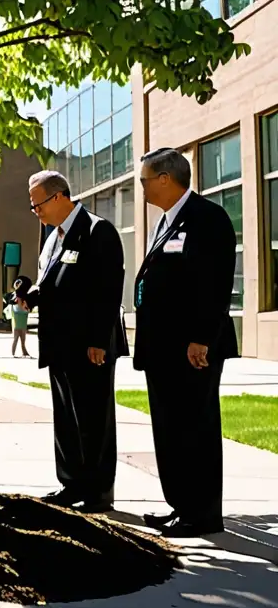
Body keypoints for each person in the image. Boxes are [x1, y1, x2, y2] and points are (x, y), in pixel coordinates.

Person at [136, 148, 237, 538]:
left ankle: (203, 513)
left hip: (193, 350)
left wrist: (201, 338)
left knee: (195, 429)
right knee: (170, 430)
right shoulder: (166, 221)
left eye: (145, 179)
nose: (141, 186)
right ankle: (181, 505)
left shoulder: (206, 219)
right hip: (164, 350)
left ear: (165, 179)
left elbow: (215, 285)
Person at [15, 171, 127, 514]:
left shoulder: (96, 230)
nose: (36, 211)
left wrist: (98, 340)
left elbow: (108, 290)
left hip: (89, 345)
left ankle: (97, 491)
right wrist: (30, 295)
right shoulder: (52, 237)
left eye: (38, 205)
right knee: (67, 420)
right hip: (59, 343)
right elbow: (55, 282)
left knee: (93, 420)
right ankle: (71, 483)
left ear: (59, 196)